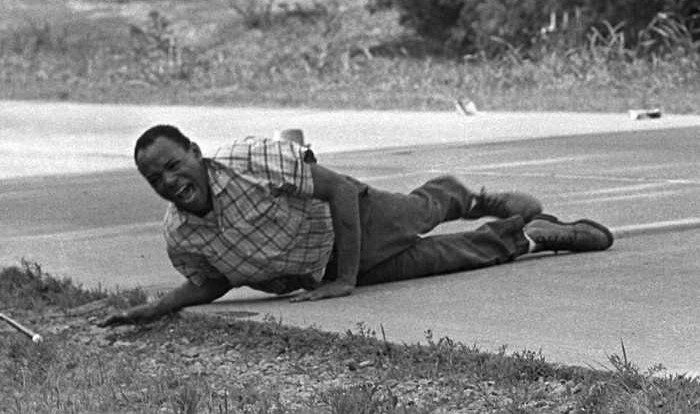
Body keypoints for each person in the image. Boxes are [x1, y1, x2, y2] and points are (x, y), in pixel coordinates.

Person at [100, 124, 614, 326]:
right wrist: (160, 307)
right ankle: (532, 234)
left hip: (353, 219)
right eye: (154, 178)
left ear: (195, 153)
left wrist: (344, 281)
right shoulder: (181, 235)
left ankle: (461, 195)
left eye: (173, 165)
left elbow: (341, 190)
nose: (169, 181)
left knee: (420, 215)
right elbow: (212, 280)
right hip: (320, 272)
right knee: (446, 259)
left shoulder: (246, 160)